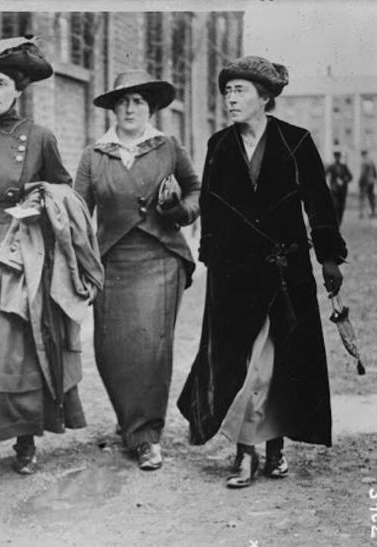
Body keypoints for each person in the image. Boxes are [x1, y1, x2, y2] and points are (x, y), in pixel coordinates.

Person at [0, 37, 101, 491]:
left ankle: (24, 441)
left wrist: (38, 206)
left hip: (25, 251)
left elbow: (65, 191)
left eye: (0, 83)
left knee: (20, 343)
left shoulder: (40, 138)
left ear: (17, 89)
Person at [177, 56, 347, 489]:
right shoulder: (219, 145)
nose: (231, 99)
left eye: (241, 91)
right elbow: (211, 210)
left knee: (278, 364)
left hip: (285, 272)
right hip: (235, 276)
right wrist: (210, 258)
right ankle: (247, 453)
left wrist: (328, 257)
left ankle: (272, 450)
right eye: (228, 91)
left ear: (264, 98)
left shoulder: (296, 141)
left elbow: (319, 204)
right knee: (244, 364)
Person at [74, 70, 200, 470]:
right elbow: (78, 213)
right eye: (123, 101)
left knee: (150, 349)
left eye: (139, 102)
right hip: (111, 260)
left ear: (151, 108)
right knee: (110, 350)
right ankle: (130, 419)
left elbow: (198, 191)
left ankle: (146, 436)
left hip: (161, 257)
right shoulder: (94, 154)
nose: (130, 108)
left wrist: (178, 210)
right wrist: (79, 262)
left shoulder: (168, 146)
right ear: (112, 107)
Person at [325, 150, 353, 225]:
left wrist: (344, 180)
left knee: (341, 208)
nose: (337, 158)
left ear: (340, 157)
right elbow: (324, 174)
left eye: (338, 156)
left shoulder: (344, 167)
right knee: (335, 206)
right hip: (334, 190)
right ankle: (336, 223)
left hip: (342, 191)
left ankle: (339, 222)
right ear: (334, 157)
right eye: (336, 157)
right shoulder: (331, 166)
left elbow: (350, 177)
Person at [358, 149, 376, 218]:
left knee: (362, 197)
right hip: (371, 181)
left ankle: (361, 213)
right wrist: (374, 179)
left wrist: (360, 182)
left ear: (362, 154)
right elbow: (375, 172)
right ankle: (373, 212)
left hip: (365, 182)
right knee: (371, 197)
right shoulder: (371, 161)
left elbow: (363, 174)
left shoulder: (364, 162)